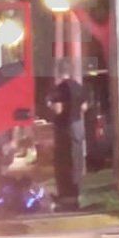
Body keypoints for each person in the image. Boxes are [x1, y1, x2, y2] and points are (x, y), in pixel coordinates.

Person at [44, 59, 87, 211]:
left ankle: (65, 197)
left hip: (64, 128)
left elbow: (52, 105)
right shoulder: (78, 87)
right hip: (78, 125)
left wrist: (56, 111)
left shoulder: (60, 89)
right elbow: (84, 106)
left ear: (59, 72)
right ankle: (76, 195)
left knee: (63, 161)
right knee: (77, 160)